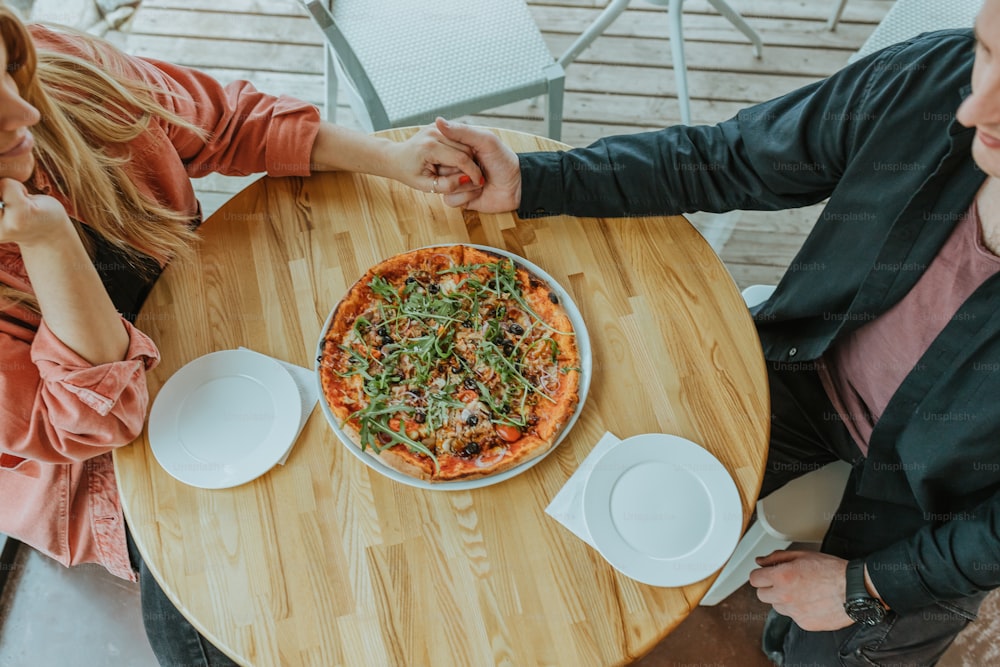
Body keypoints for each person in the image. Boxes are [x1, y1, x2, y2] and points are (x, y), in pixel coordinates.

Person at [432, 0, 1000, 664]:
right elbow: (731, 158)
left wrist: (865, 586)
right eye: (987, 51)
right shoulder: (938, 79)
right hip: (800, 365)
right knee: (592, 502)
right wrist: (537, 179)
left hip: (947, 506)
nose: (971, 108)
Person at [0, 5, 482, 666]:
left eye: (5, 76)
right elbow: (100, 423)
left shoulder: (59, 72)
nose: (24, 113)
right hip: (105, 469)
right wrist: (49, 238)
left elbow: (227, 123)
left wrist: (391, 157)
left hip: (214, 322)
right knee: (238, 616)